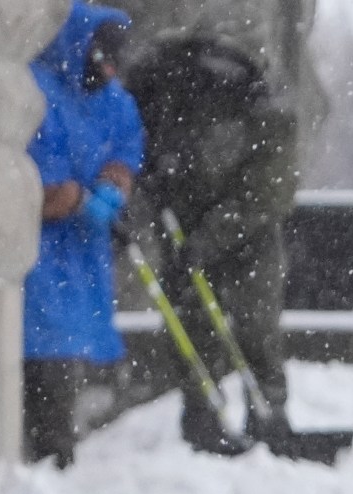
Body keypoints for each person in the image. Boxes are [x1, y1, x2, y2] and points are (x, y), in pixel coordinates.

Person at [122, 36, 302, 455]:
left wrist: (208, 238)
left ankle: (268, 418)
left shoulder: (268, 116)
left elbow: (265, 193)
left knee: (255, 326)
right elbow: (146, 160)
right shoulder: (168, 101)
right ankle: (203, 418)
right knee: (192, 325)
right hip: (184, 229)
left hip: (246, 237)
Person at [22, 2, 145, 468]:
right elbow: (35, 177)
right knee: (43, 346)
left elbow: (126, 148)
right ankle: (50, 453)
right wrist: (72, 197)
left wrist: (114, 187)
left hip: (82, 252)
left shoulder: (115, 101)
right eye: (101, 58)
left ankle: (54, 449)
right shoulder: (38, 90)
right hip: (40, 252)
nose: (108, 70)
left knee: (66, 345)